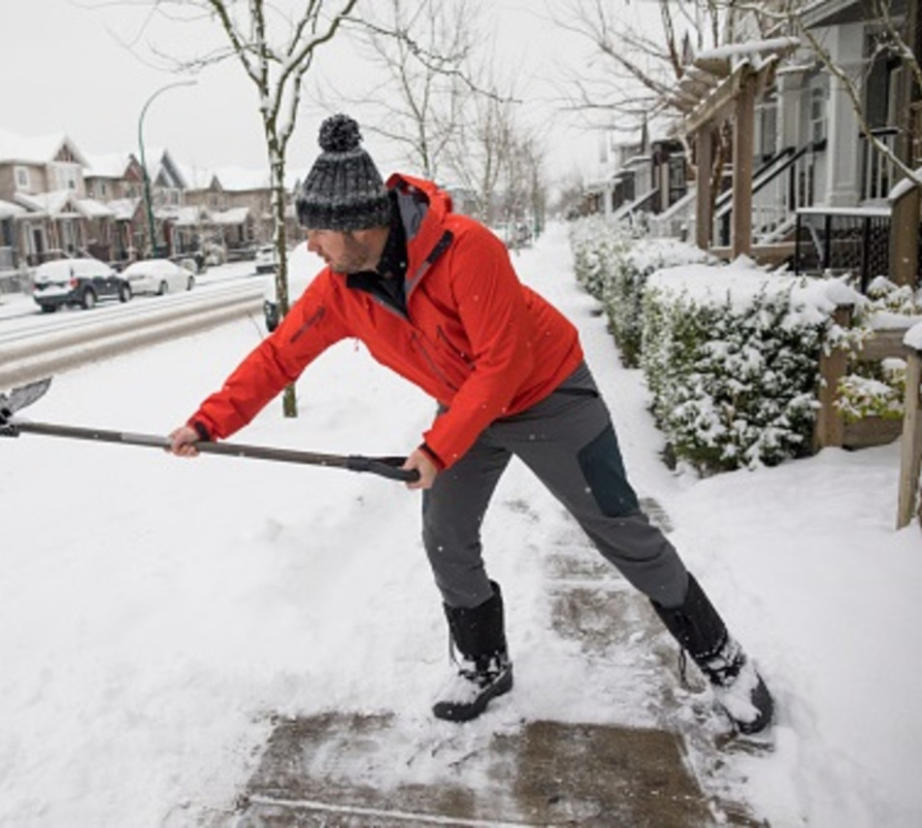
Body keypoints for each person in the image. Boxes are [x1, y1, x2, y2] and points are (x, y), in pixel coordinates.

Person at [167, 114, 774, 732]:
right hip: (466, 408)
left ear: (356, 225)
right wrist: (208, 422)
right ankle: (484, 663)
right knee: (445, 535)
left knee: (622, 530)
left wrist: (435, 450)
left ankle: (727, 663)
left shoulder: (466, 249)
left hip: (553, 396)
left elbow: (503, 363)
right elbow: (278, 357)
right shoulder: (340, 290)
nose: (311, 246)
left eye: (318, 231)